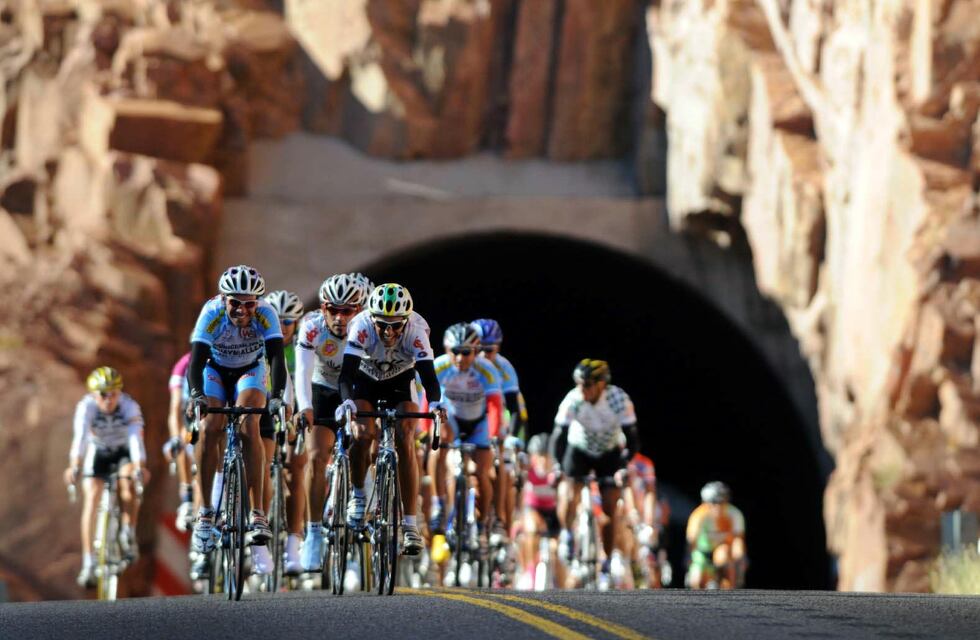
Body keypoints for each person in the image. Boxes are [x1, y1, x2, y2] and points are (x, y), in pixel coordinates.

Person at [335, 283, 447, 556]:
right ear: (372, 318)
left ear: (405, 322)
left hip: (401, 380)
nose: (388, 332)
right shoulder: (360, 326)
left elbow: (428, 377)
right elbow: (347, 375)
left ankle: (410, 523)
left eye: (396, 326)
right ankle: (359, 494)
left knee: (406, 437)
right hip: (365, 379)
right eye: (382, 325)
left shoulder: (417, 331)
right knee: (363, 434)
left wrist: (434, 404)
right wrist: (347, 401)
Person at [185, 264, 287, 557]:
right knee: (210, 427)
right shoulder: (211, 313)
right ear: (223, 298)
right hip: (214, 369)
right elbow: (196, 360)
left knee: (249, 425)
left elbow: (277, 357)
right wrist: (196, 395)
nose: (242, 310)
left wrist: (277, 396)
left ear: (258, 302)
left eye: (249, 304)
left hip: (250, 370)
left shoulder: (267, 314)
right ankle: (205, 512)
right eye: (235, 303)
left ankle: (257, 513)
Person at [294, 273, 370, 573]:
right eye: (332, 309)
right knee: (315, 456)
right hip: (323, 388)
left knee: (366, 439)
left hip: (359, 386)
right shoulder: (311, 327)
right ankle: (313, 533)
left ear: (360, 309)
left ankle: (361, 493)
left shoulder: (368, 328)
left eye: (347, 310)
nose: (339, 317)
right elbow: (301, 371)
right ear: (323, 309)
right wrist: (305, 408)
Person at [550, 359, 639, 590]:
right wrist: (558, 466)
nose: (582, 389)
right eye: (579, 383)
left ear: (602, 384)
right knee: (570, 491)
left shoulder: (619, 400)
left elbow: (633, 440)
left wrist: (623, 467)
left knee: (610, 507)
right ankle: (568, 533)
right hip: (579, 449)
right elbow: (558, 436)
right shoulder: (574, 399)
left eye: (587, 384)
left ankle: (607, 562)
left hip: (609, 452)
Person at [64, 366, 148, 588]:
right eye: (103, 394)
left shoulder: (129, 406)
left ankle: (128, 532)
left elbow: (135, 440)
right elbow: (80, 437)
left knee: (129, 481)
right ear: (94, 394)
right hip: (98, 451)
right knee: (92, 496)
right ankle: (89, 562)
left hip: (123, 452)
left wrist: (139, 465)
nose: (109, 399)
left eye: (114, 393)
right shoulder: (86, 407)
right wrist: (74, 465)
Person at [428, 322, 502, 547]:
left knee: (482, 472)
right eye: (455, 352)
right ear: (446, 350)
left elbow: (496, 406)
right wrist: (424, 432)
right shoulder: (439, 366)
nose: (460, 358)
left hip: (478, 424)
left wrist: (494, 436)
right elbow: (426, 400)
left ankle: (482, 522)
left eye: (466, 352)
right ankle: (438, 503)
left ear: (476, 351)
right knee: (435, 443)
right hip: (452, 420)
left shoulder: (487, 370)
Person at [260, 289, 305, 575]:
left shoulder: (302, 345)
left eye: (289, 322)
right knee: (259, 461)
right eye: (279, 321)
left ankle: (292, 543)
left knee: (295, 469)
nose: (284, 327)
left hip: (292, 403)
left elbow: (300, 382)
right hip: (262, 402)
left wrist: (294, 416)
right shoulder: (262, 340)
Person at [686, 481, 746, 589]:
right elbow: (692, 539)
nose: (717, 507)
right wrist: (689, 560)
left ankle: (726, 589)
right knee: (697, 582)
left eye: (721, 502)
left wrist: (740, 561)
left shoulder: (734, 514)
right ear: (706, 503)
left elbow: (738, 540)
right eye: (713, 503)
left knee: (725, 558)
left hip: (724, 551)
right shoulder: (699, 515)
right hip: (703, 552)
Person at [163, 351, 196, 533]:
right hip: (191, 413)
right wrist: (174, 438)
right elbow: (175, 407)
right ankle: (187, 497)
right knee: (185, 438)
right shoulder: (183, 364)